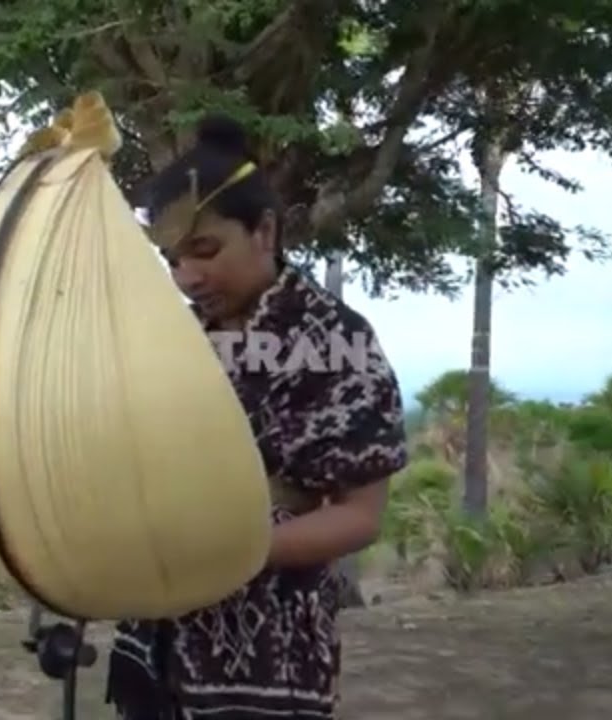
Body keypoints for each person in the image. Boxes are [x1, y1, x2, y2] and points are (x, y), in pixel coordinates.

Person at [107, 117, 408, 719]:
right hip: (155, 640)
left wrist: (231, 551)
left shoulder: (335, 341)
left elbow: (359, 516)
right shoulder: (175, 337)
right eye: (171, 260)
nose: (187, 278)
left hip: (269, 655)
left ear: (264, 230)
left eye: (204, 251)